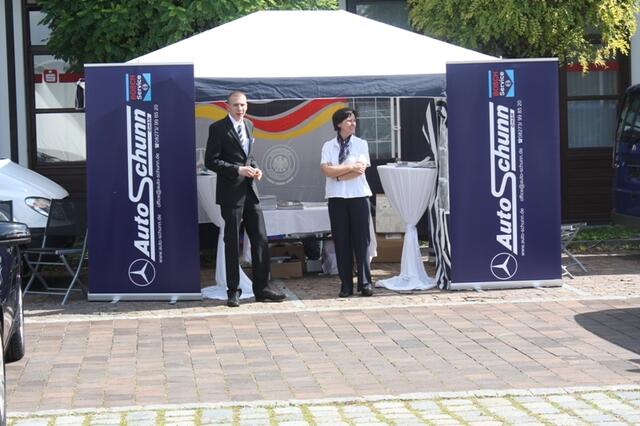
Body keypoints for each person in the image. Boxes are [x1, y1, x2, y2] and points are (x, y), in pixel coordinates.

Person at [204, 90, 286, 307]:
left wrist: (255, 169)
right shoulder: (218, 128)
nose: (240, 109)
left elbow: (248, 156)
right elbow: (211, 161)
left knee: (260, 239)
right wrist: (237, 170)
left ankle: (262, 288)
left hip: (250, 192)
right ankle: (233, 290)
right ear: (227, 106)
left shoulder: (249, 125)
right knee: (232, 242)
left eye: (243, 105)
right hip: (230, 194)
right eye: (236, 105)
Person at [320, 107, 374, 297]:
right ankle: (346, 284)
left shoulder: (361, 144)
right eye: (349, 120)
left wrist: (338, 173)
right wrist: (349, 168)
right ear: (339, 124)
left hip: (358, 196)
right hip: (336, 198)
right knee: (341, 241)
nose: (353, 124)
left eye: (354, 120)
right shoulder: (328, 146)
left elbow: (360, 170)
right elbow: (326, 170)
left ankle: (365, 282)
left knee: (362, 241)